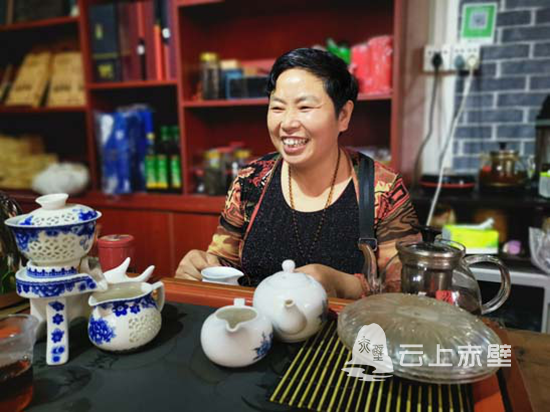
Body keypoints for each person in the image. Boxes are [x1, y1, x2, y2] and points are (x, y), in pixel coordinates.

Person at [176, 47, 419, 299]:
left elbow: (407, 290)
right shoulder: (250, 181)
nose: (287, 123)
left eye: (305, 107)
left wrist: (342, 285)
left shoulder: (383, 189)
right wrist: (202, 268)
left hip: (349, 325)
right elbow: (225, 263)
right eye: (277, 108)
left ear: (343, 115)